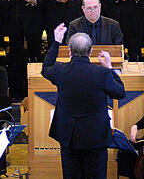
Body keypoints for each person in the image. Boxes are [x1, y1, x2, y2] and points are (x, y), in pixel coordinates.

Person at [42, 24, 126, 178]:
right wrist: (109, 68)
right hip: (95, 137)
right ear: (90, 51)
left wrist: (57, 41)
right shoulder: (102, 73)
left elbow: (45, 67)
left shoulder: (60, 70)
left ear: (69, 51)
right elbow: (120, 92)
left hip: (69, 136)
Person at [3, 0, 46, 97]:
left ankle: (35, 89)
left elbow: (43, 0)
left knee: (35, 54)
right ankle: (17, 91)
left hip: (33, 24)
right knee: (16, 57)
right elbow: (2, 4)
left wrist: (34, 1)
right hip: (15, 24)